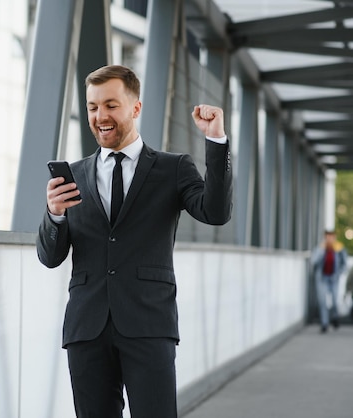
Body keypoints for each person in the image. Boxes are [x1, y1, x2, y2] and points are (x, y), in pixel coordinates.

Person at [36, 65, 233, 418]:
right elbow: (50, 257)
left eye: (111, 105)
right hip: (86, 328)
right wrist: (54, 214)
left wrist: (215, 141)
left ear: (136, 108)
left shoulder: (173, 168)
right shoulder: (75, 175)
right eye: (93, 107)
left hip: (148, 324)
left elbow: (215, 213)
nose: (100, 116)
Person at [311, 230, 347, 333]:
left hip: (334, 278)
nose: (329, 239)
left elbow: (344, 264)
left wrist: (340, 273)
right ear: (325, 237)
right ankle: (324, 323)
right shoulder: (320, 248)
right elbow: (314, 261)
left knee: (335, 301)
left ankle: (335, 317)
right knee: (323, 301)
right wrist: (321, 250)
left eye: (331, 237)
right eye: (327, 237)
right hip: (322, 278)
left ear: (334, 237)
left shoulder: (339, 248)